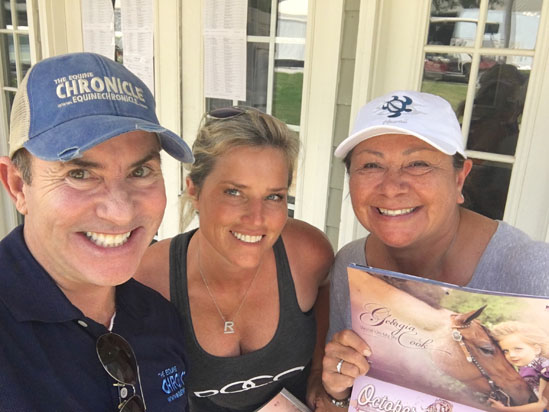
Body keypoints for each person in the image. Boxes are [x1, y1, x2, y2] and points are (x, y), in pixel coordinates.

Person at [321, 90, 549, 409]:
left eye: (418, 164)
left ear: (459, 179)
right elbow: (344, 392)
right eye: (371, 165)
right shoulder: (352, 261)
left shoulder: (536, 271)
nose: (391, 187)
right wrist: (339, 389)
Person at [0, 52, 194, 411]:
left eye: (140, 172)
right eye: (79, 174)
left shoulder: (159, 316)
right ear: (17, 185)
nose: (120, 213)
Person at [134, 106, 334, 411]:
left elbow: (329, 311)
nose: (256, 219)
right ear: (194, 190)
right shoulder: (149, 280)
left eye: (273, 196)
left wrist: (321, 377)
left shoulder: (308, 255)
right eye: (234, 192)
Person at [489, 321, 549, 411]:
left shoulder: (545, 369)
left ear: (536, 349)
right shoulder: (525, 366)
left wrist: (504, 409)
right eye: (506, 351)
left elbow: (543, 405)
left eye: (518, 349)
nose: (511, 355)